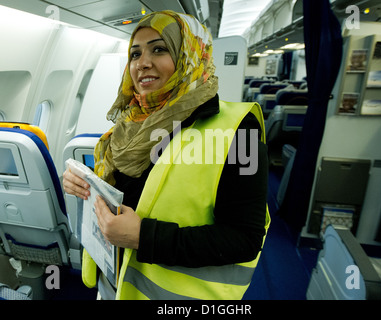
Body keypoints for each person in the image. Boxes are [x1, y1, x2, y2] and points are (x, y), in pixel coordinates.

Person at [63, 10, 270, 300]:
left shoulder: (239, 129)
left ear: (189, 56)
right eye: (135, 54)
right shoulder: (131, 124)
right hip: (113, 284)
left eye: (159, 49)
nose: (142, 63)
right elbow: (126, 196)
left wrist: (142, 237)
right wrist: (84, 183)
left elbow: (244, 239)